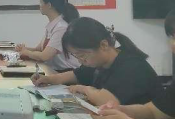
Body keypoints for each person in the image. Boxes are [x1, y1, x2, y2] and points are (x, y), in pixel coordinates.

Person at [93, 10, 175, 119]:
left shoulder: (132, 65)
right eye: (172, 36)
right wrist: (121, 111)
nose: (172, 45)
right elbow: (154, 113)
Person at [31, 17, 161, 106]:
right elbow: (74, 75)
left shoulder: (132, 67)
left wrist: (84, 89)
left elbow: (106, 101)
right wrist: (47, 79)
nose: (80, 60)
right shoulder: (98, 62)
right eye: (76, 56)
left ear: (103, 45)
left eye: (82, 55)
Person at [16, 0, 80, 71]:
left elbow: (44, 56)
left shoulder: (61, 28)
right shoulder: (52, 25)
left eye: (41, 2)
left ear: (49, 5)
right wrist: (22, 49)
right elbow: (38, 49)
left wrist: (26, 52)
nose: (39, 5)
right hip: (54, 70)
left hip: (66, 72)